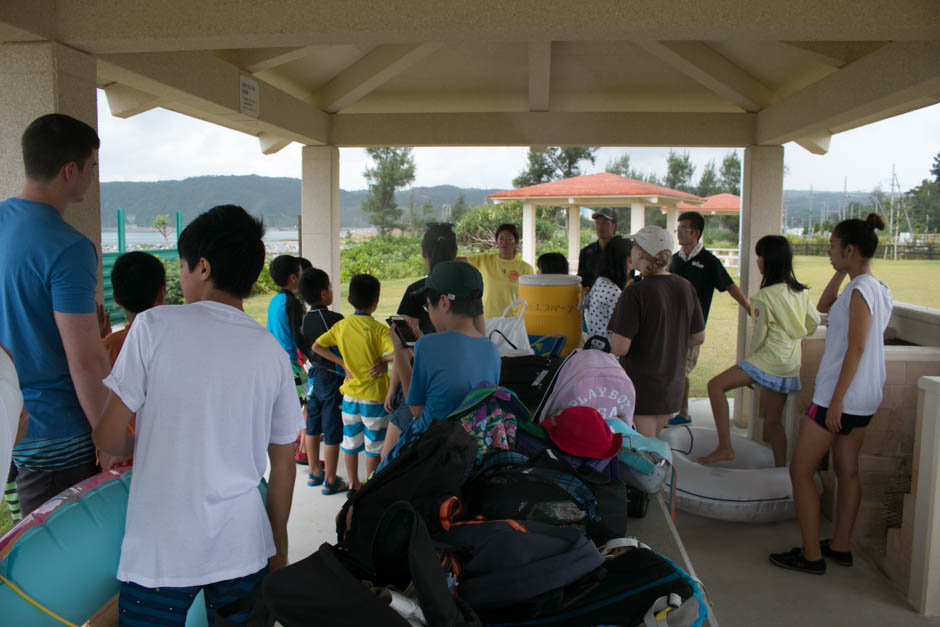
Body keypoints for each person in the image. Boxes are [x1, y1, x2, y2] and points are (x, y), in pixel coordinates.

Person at [93, 205, 301, 624]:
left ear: (202, 267)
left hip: (160, 550)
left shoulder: (152, 327)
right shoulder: (271, 352)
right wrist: (276, 547)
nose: (182, 277)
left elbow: (108, 437)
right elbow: (283, 469)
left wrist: (144, 444)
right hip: (243, 547)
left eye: (184, 266)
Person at [0, 113, 113, 516]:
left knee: (20, 541)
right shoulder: (68, 248)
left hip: (10, 426)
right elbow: (84, 358)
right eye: (92, 167)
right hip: (56, 437)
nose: (92, 176)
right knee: (52, 565)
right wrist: (109, 437)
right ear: (71, 170)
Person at [770, 214, 892, 575]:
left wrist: (835, 401)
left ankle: (811, 555)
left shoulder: (859, 293)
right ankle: (839, 546)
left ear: (850, 248)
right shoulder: (877, 288)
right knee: (847, 470)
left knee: (801, 469)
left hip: (839, 398)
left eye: (832, 247)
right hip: (866, 396)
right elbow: (823, 305)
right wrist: (841, 269)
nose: (828, 252)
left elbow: (855, 348)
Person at [699, 236, 819, 466]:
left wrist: (750, 369)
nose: (757, 261)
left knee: (715, 386)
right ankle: (781, 469)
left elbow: (759, 338)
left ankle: (725, 447)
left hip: (766, 361)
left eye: (760, 256)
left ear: (769, 261)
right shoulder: (801, 292)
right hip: (790, 365)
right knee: (774, 422)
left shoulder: (764, 297)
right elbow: (812, 323)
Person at [381, 261, 501, 467]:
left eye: (428, 305)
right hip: (471, 451)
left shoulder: (427, 345)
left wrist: (401, 354)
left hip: (432, 451)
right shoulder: (491, 349)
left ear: (444, 302)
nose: (428, 311)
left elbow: (416, 408)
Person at [608, 226, 705, 437]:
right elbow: (698, 336)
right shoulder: (685, 286)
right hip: (672, 385)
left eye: (634, 246)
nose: (631, 251)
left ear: (641, 253)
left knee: (646, 455)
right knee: (653, 446)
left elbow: (619, 347)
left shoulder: (635, 292)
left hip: (642, 389)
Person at [668, 211, 751, 426]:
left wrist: (749, 307)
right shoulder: (673, 260)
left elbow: (729, 285)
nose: (678, 233)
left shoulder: (708, 261)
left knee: (681, 369)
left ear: (696, 232)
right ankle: (674, 409)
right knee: (672, 367)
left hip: (692, 329)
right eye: (677, 228)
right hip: (669, 326)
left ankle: (683, 412)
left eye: (683, 228)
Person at [383, 224, 460, 456]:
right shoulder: (467, 291)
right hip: (460, 385)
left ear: (423, 254)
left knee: (389, 457)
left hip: (418, 385)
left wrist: (393, 387)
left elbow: (402, 347)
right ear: (455, 253)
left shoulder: (417, 290)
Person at [311, 274, 394, 489]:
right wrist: (383, 359)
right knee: (374, 447)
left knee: (350, 444)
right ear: (376, 303)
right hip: (374, 399)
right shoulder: (379, 330)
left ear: (349, 300)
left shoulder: (341, 326)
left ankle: (353, 484)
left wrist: (342, 363)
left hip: (349, 397)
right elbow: (400, 352)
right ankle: (368, 487)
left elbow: (317, 347)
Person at [298, 267, 348, 495]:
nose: (331, 291)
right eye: (329, 287)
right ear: (322, 293)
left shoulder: (304, 320)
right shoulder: (334, 319)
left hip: (314, 377)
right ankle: (329, 480)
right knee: (332, 427)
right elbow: (345, 347)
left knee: (313, 425)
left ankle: (315, 472)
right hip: (331, 377)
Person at [102, 251, 167, 365]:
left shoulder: (111, 346)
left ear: (116, 299)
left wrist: (102, 341)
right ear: (161, 295)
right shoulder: (176, 339)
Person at [462, 224, 534, 319]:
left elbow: (530, 297)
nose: (504, 242)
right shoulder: (485, 260)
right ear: (496, 242)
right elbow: (460, 261)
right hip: (486, 319)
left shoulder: (525, 268)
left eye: (509, 239)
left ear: (516, 243)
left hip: (512, 320)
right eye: (501, 239)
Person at [583, 236, 631, 341]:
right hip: (609, 353)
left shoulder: (599, 281)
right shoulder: (615, 293)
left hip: (594, 348)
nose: (631, 267)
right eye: (629, 261)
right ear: (620, 262)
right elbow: (620, 330)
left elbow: (583, 304)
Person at [578, 208, 618, 294]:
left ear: (614, 227)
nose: (600, 227)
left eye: (605, 223)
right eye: (597, 223)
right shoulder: (586, 252)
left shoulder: (621, 252)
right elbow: (581, 279)